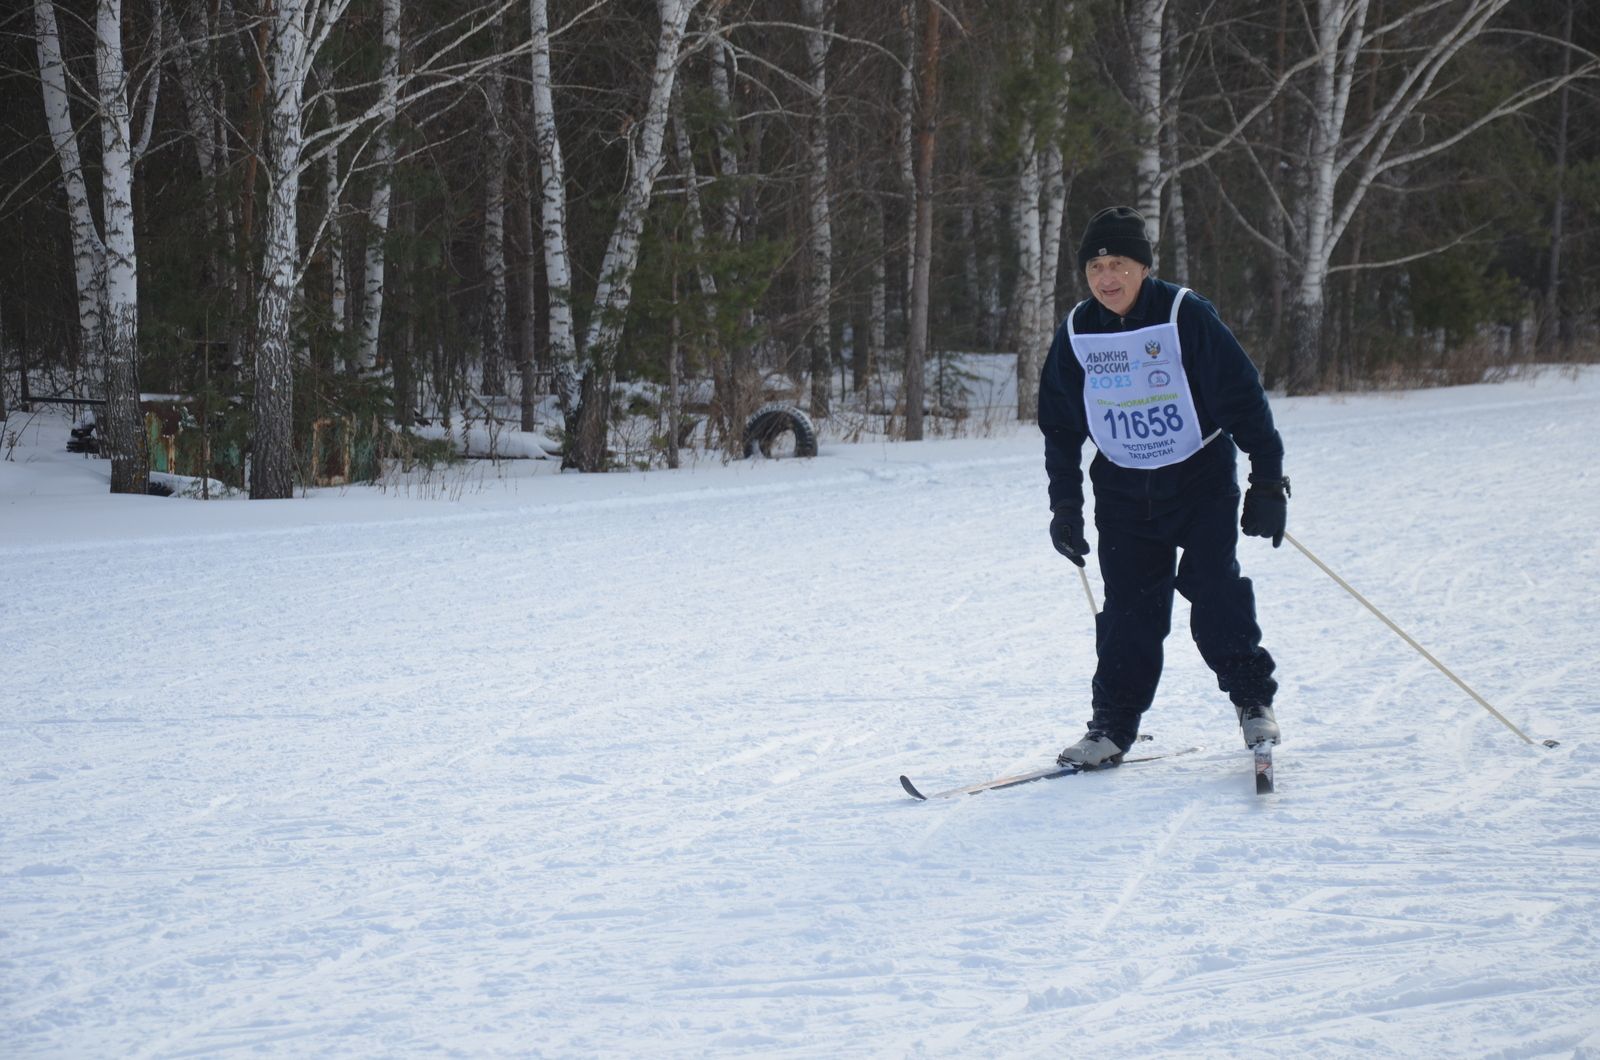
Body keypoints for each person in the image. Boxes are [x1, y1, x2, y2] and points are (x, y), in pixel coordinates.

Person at [1038, 205, 1289, 769]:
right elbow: (1059, 427)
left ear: (1144, 268)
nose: (1106, 278)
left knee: (1214, 591)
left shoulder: (1183, 314)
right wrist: (1065, 507)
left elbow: (1243, 397)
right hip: (1124, 494)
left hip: (1199, 480)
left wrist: (1269, 481)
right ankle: (1111, 727)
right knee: (1128, 613)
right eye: (1095, 266)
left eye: (1118, 263)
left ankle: (1253, 702)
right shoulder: (1078, 330)